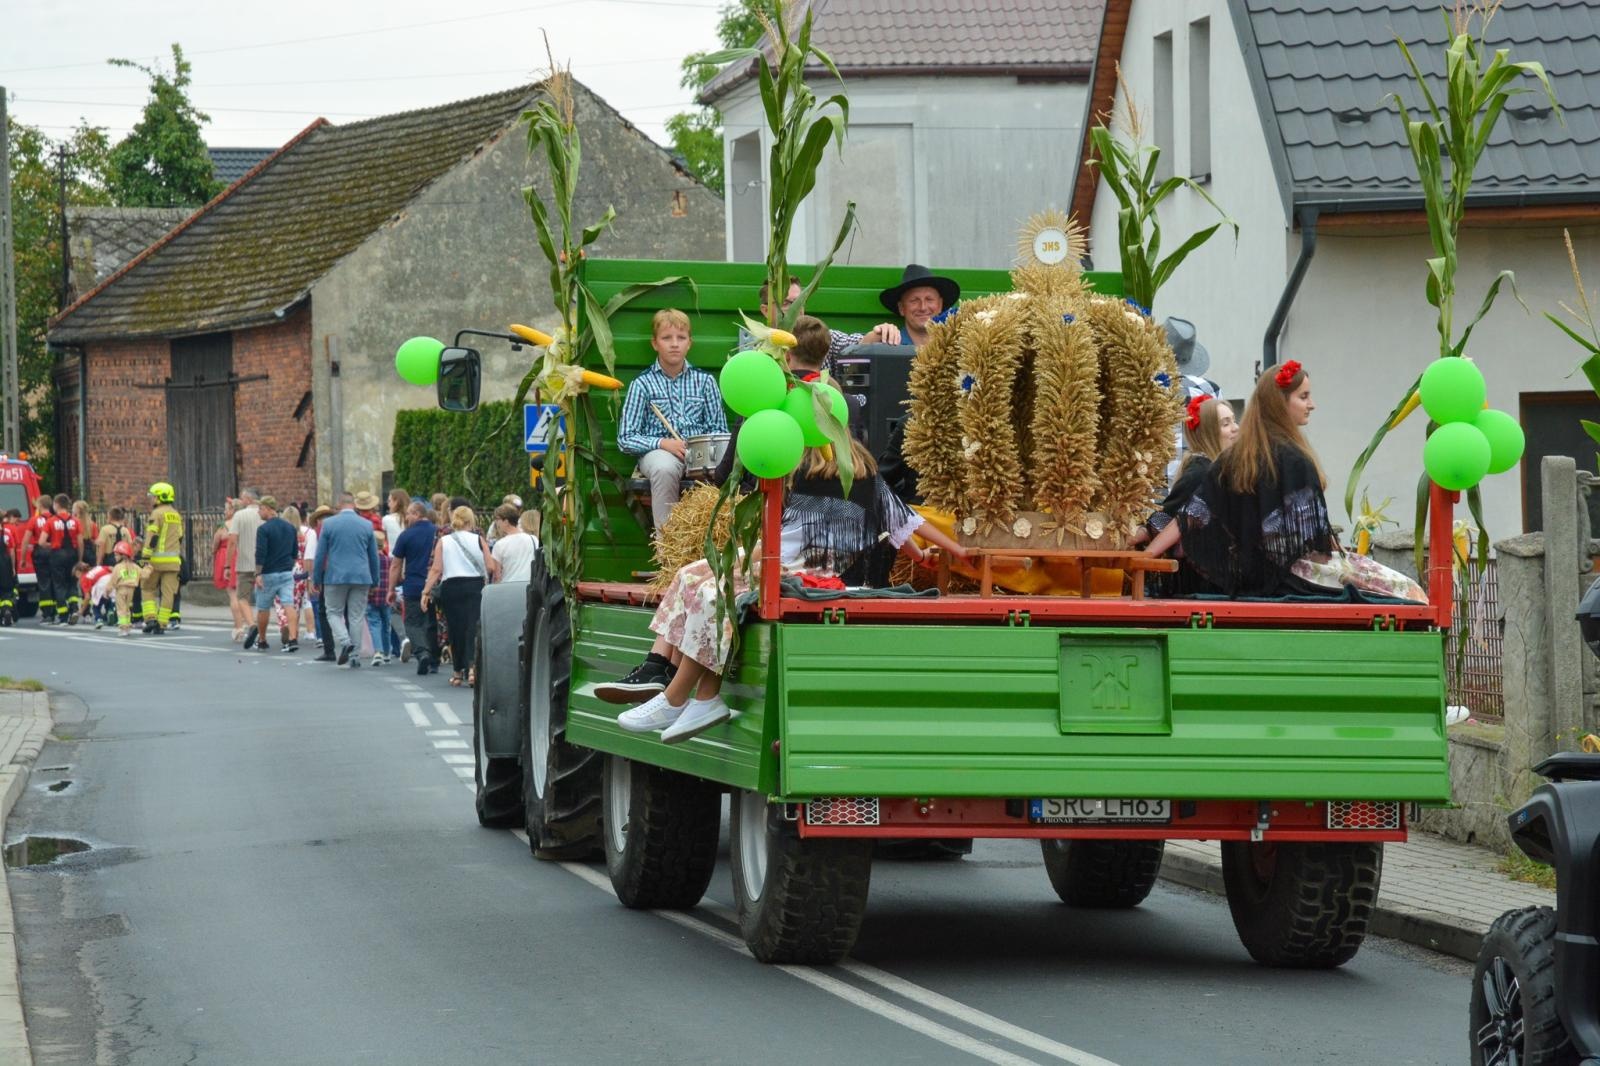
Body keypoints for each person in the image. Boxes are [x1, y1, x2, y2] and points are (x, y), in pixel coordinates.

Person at [600, 438, 967, 740]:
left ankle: (680, 696)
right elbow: (908, 523)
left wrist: (931, 554)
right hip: (783, 558)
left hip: (802, 569)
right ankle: (660, 670)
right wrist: (938, 554)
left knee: (715, 592)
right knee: (690, 576)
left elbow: (787, 539)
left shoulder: (798, 475)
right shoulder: (869, 482)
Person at [1145, 362, 1425, 602]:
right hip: (1292, 574)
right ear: (1281, 403)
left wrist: (1147, 556)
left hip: (1251, 575)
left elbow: (1190, 516)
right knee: (1407, 591)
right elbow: (1310, 544)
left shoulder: (1232, 459)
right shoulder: (1294, 460)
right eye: (1304, 397)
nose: (1312, 405)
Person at [618, 308, 729, 529]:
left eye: (681, 338)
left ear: (690, 343)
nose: (674, 344)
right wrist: (663, 443)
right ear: (655, 343)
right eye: (667, 338)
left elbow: (719, 430)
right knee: (664, 468)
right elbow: (625, 438)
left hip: (698, 454)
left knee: (722, 469)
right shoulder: (642, 384)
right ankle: (667, 548)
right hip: (659, 453)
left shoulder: (705, 382)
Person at [1132, 394, 1239, 547]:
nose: (1236, 428)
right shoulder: (1200, 472)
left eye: (1234, 420)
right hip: (1198, 566)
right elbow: (1167, 516)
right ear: (1208, 433)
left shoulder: (1217, 467)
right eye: (1225, 424)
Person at [421, 505, 496, 687]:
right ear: (471, 521)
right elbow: (491, 566)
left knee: (455, 629)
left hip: (451, 587)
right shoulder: (479, 539)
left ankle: (457, 672)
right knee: (472, 627)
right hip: (474, 586)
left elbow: (437, 569)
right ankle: (472, 669)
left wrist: (426, 591)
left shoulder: (444, 541)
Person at [311, 492, 380, 667]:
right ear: (354, 504)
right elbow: (374, 556)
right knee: (356, 616)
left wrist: (317, 578)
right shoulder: (366, 525)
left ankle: (345, 641)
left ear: (339, 504)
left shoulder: (329, 524)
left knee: (333, 612)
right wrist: (375, 580)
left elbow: (320, 555)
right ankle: (355, 656)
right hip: (361, 576)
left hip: (336, 576)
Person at [390, 500, 439, 675]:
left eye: (409, 513)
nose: (407, 517)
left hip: (413, 585)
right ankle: (434, 659)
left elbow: (396, 565)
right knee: (431, 622)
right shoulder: (437, 532)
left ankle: (422, 651)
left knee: (412, 622)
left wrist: (391, 588)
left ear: (417, 514)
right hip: (435, 584)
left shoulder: (406, 535)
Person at [244, 496, 299, 653]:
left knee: (263, 607)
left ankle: (262, 639)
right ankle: (293, 638)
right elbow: (294, 551)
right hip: (287, 572)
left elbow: (260, 552)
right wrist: (290, 564)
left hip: (269, 573)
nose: (259, 512)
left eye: (260, 509)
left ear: (268, 509)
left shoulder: (264, 529)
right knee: (289, 604)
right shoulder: (290, 528)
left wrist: (258, 573)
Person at [139, 481, 184, 634]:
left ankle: (150, 619)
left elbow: (152, 536)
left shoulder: (156, 514)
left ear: (160, 497)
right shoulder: (176, 515)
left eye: (153, 496)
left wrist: (145, 557)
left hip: (156, 561)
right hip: (173, 562)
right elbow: (180, 537)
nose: (151, 499)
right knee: (168, 593)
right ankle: (162, 624)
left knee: (147, 588)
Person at [227, 489, 264, 631]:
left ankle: (251, 624)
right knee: (264, 600)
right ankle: (262, 630)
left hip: (244, 563)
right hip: (264, 565)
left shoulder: (239, 515)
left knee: (242, 597)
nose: (241, 502)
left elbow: (232, 542)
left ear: (248, 499)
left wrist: (227, 565)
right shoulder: (266, 515)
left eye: (242, 499)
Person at [17, 496, 57, 624]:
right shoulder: (56, 520)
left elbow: (25, 541)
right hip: (55, 552)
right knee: (56, 581)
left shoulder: (34, 520)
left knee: (43, 583)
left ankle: (47, 613)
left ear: (39, 506)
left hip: (40, 552)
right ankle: (58, 610)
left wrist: (23, 559)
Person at [304, 505, 335, 660]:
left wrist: (313, 579)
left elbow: (315, 558)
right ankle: (351, 647)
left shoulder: (316, 534)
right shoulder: (337, 530)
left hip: (326, 575)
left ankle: (330, 649)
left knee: (324, 611)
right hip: (340, 574)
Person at [366, 531, 400, 666]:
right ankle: (387, 652)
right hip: (386, 597)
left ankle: (378, 651)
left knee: (374, 623)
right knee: (386, 625)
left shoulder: (369, 561)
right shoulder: (389, 560)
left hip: (372, 595)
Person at [489, 503, 536, 582]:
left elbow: (497, 576)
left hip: (508, 587)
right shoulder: (533, 539)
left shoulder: (500, 545)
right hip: (529, 586)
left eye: (497, 519)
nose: (496, 523)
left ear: (506, 521)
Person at [111, 542, 140, 636]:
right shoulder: (134, 566)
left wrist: (107, 590)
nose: (115, 557)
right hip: (131, 590)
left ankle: (123, 628)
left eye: (116, 554)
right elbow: (144, 574)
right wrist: (149, 568)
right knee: (127, 608)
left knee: (121, 609)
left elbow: (113, 581)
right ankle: (127, 627)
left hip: (121, 590)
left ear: (122, 555)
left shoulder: (117, 567)